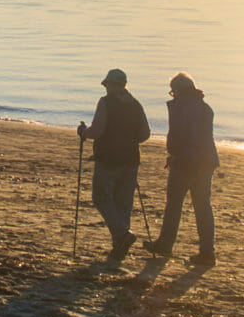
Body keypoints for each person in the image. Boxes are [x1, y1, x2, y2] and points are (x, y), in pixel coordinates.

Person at [76, 68, 151, 266]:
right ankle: (119, 246)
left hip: (109, 157)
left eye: (107, 85)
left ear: (109, 85)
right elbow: (145, 134)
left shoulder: (106, 102)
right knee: (123, 203)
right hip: (131, 159)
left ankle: (122, 235)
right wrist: (128, 137)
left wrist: (84, 132)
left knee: (101, 198)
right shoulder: (135, 104)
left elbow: (98, 130)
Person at [143, 72, 218, 266]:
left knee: (174, 205)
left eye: (172, 91)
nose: (172, 95)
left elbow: (177, 135)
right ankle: (207, 251)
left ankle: (165, 244)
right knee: (203, 206)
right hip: (206, 161)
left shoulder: (180, 106)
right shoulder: (205, 107)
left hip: (186, 162)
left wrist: (174, 153)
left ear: (177, 90)